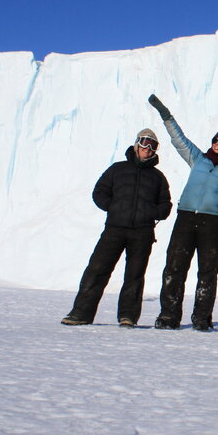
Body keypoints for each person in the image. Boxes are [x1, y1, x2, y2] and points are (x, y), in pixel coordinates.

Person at [148, 94, 218, 331]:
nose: (217, 144)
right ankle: (168, 316)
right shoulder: (198, 159)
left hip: (212, 223)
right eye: (215, 140)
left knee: (207, 273)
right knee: (174, 268)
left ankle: (201, 318)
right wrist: (166, 115)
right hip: (186, 218)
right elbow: (179, 139)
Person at [62, 129, 172, 327]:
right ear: (137, 144)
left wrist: (151, 213)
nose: (147, 149)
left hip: (142, 232)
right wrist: (113, 207)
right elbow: (99, 191)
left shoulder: (158, 177)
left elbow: (166, 205)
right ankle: (81, 313)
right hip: (115, 228)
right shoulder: (117, 169)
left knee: (134, 275)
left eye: (152, 145)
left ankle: (128, 316)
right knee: (97, 270)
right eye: (145, 143)